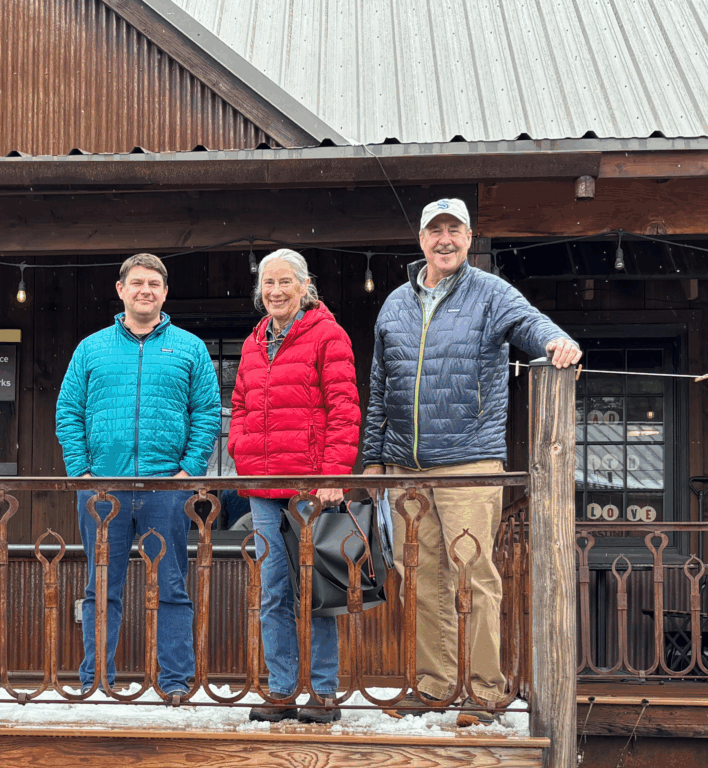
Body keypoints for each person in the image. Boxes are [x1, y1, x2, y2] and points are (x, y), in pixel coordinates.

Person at [363, 198, 581, 723]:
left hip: (468, 463)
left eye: (454, 230)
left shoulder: (491, 292)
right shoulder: (394, 303)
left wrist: (557, 341)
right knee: (418, 576)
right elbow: (378, 387)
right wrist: (372, 458)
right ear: (421, 240)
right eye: (434, 231)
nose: (445, 240)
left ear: (468, 237)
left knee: (474, 575)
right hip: (404, 467)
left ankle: (486, 691)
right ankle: (436, 685)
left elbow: (531, 324)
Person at [55, 253, 220, 697]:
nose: (146, 290)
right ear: (121, 290)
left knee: (170, 586)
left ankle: (175, 683)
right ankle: (95, 681)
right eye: (138, 283)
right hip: (102, 490)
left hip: (166, 488)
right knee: (101, 588)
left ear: (165, 293)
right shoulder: (91, 348)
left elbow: (206, 412)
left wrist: (189, 469)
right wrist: (83, 472)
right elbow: (68, 412)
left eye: (154, 284)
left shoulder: (190, 348)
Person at [228, 248, 360, 724]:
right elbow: (240, 404)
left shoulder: (328, 335)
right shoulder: (253, 340)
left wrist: (332, 476)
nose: (276, 291)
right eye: (269, 284)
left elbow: (344, 408)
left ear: (305, 287)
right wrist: (240, 448)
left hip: (310, 488)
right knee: (274, 592)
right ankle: (282, 689)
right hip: (262, 485)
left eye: (286, 282)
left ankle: (323, 692)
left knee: (318, 590)